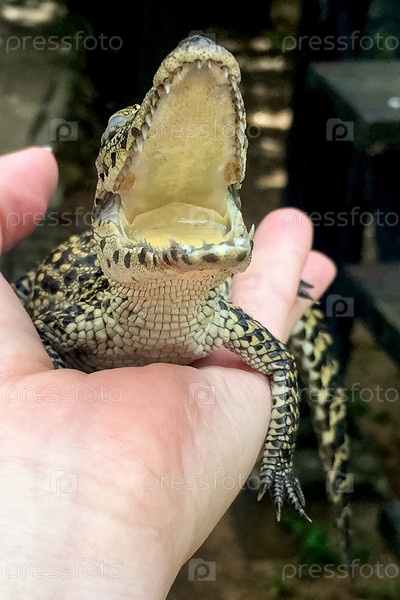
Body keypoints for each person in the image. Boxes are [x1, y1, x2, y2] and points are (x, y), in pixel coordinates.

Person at [0, 147, 335, 598]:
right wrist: (56, 393)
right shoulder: (89, 312)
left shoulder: (223, 316)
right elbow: (45, 331)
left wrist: (277, 460)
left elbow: (280, 364)